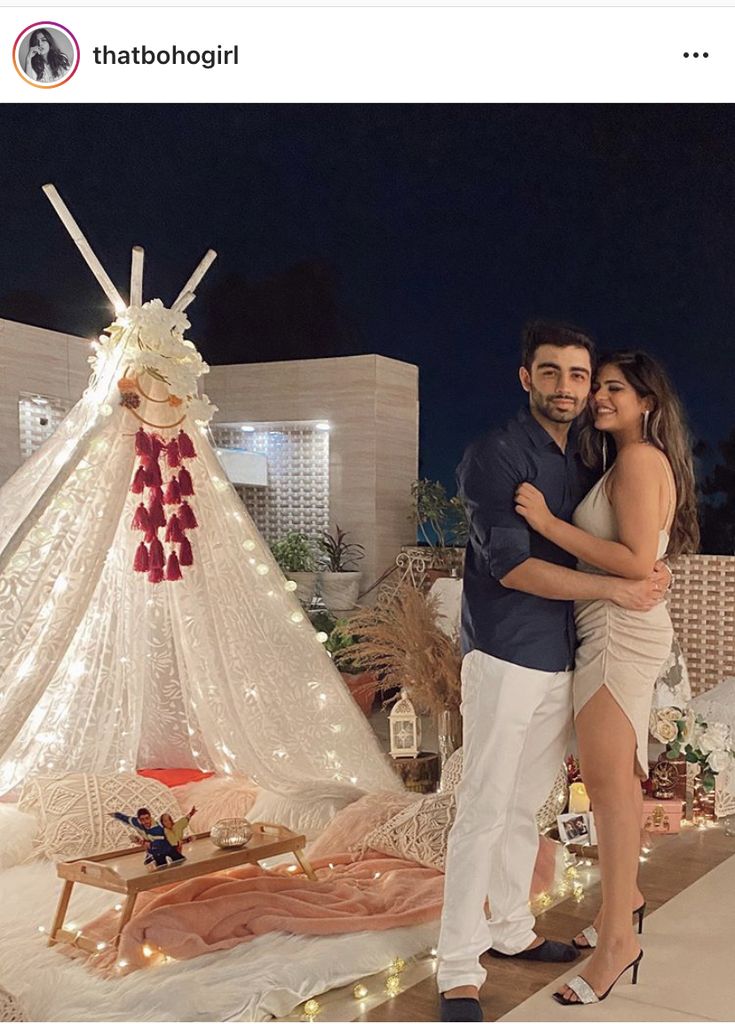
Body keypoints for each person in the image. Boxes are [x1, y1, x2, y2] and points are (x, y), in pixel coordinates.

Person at [437, 321, 670, 1024]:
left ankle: (509, 929)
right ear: (525, 378)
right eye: (553, 373)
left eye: (580, 375)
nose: (569, 388)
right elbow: (510, 566)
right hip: (506, 652)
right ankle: (455, 968)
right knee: (481, 807)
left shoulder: (583, 458)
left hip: (565, 655)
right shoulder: (496, 454)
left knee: (523, 806)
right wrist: (618, 588)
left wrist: (632, 573)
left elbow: (620, 539)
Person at [514, 349, 698, 1005]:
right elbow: (640, 556)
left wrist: (546, 525)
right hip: (610, 628)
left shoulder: (641, 460)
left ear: (647, 401)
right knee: (613, 779)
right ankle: (626, 903)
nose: (599, 397)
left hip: (619, 633)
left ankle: (619, 940)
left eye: (614, 388)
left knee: (606, 785)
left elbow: (628, 559)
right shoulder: (626, 462)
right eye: (600, 387)